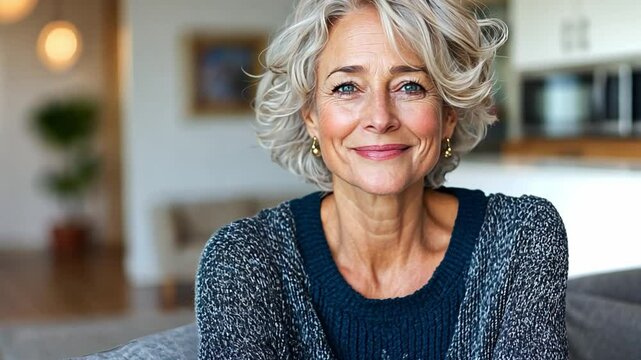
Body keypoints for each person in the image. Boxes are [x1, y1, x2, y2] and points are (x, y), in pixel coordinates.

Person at [195, 0, 568, 359]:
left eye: (409, 86)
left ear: (448, 114)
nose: (379, 117)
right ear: (310, 115)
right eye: (346, 87)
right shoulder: (243, 261)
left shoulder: (520, 237)